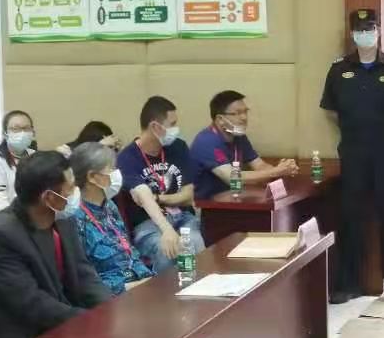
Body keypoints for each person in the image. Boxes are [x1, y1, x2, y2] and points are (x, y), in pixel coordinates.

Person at [0, 151, 110, 338]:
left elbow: (83, 272)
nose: (75, 193)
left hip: (60, 325)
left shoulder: (62, 218)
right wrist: (89, 322)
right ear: (49, 197)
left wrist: (110, 310)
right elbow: (32, 304)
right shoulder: (1, 237)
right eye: (70, 188)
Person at [320, 8, 384, 305]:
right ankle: (348, 284)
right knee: (350, 217)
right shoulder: (338, 69)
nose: (364, 34)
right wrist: (352, 126)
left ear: (378, 31)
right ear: (351, 33)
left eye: (370, 28)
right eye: (359, 29)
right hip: (352, 151)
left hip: (383, 153)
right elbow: (329, 109)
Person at [116, 96, 206, 273]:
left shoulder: (178, 147)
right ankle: (164, 291)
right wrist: (167, 230)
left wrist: (157, 198)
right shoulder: (127, 158)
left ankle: (202, 287)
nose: (176, 129)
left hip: (183, 217)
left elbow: (188, 196)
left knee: (194, 242)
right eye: (172, 124)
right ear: (155, 127)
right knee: (166, 249)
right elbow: (144, 197)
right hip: (149, 223)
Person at [64, 141, 152, 294]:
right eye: (111, 168)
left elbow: (127, 249)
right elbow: (85, 281)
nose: (117, 173)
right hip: (112, 294)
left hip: (140, 279)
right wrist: (138, 286)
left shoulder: (109, 205)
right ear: (92, 177)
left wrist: (149, 280)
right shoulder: (75, 218)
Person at [190, 90, 299, 200]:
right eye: (237, 113)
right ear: (220, 119)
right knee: (262, 198)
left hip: (232, 194)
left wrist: (283, 169)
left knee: (280, 199)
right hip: (204, 203)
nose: (244, 118)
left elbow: (260, 166)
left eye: (245, 112)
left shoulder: (239, 137)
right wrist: (276, 171)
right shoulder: (206, 141)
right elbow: (233, 178)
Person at [0, 110, 37, 227]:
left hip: (31, 219)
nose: (22, 133)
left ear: (33, 132)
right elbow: (0, 205)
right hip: (0, 224)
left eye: (26, 129)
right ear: (5, 134)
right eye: (15, 129)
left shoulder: (34, 156)